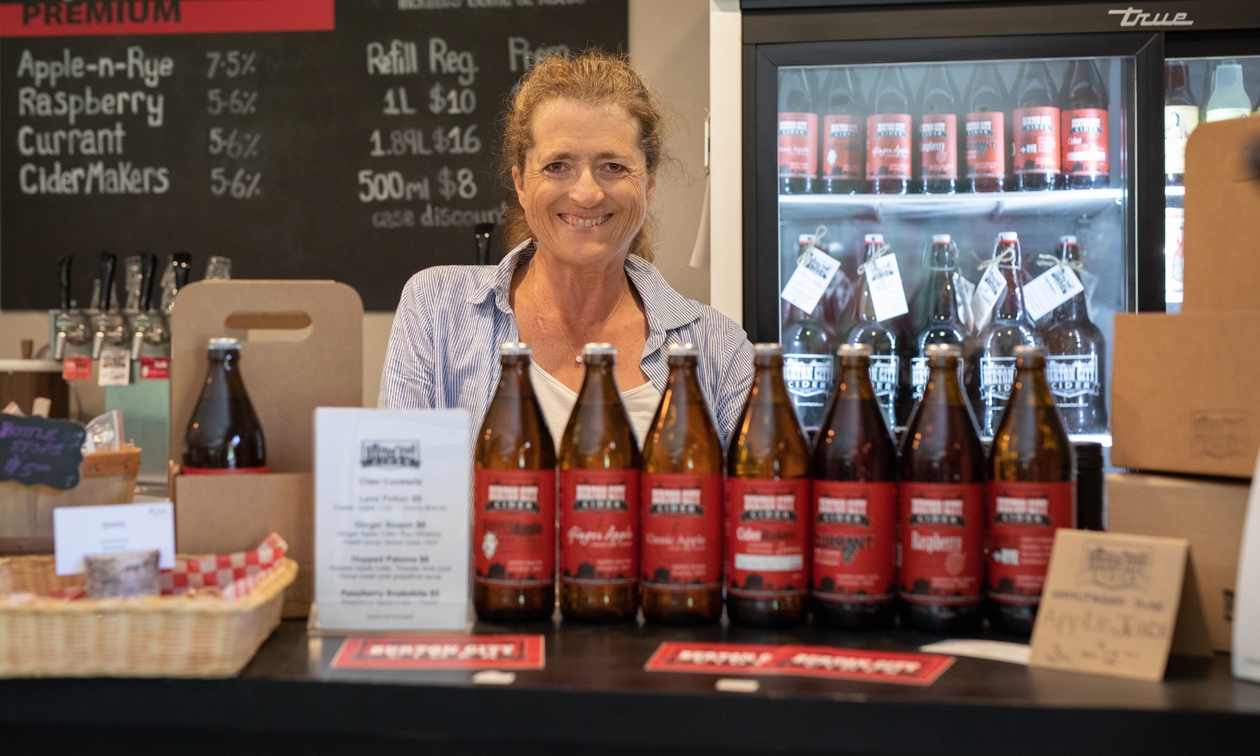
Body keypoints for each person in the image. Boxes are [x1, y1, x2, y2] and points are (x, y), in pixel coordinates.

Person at [379, 50, 753, 444]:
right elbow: (396, 495)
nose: (587, 194)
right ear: (521, 183)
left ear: (649, 183)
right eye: (558, 165)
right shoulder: (435, 310)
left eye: (613, 166)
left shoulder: (719, 349)